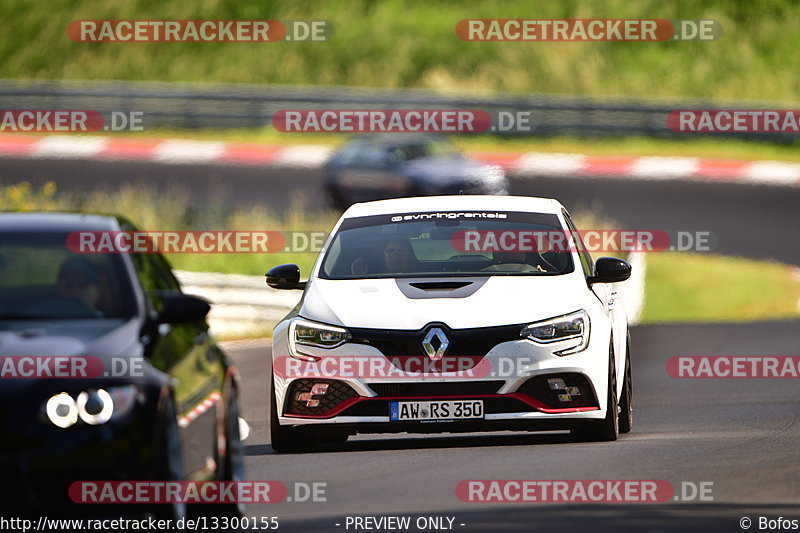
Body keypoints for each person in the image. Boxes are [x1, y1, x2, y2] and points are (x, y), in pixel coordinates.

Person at [24, 257, 104, 317]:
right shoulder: (37, 315)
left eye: (83, 284)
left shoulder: (110, 326)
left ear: (96, 290)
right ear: (58, 288)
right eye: (67, 284)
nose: (74, 290)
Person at [351, 238, 418, 275]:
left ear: (409, 254)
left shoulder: (421, 275)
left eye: (401, 251)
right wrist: (360, 277)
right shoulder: (372, 279)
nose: (395, 256)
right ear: (383, 257)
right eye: (390, 251)